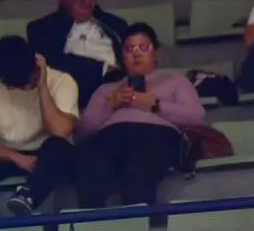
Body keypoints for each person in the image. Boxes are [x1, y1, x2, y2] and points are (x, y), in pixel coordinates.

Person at [75, 23, 206, 208]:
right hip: (111, 138)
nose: (136, 54)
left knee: (138, 168)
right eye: (129, 49)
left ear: (155, 52)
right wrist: (110, 105)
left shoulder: (175, 81)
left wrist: (155, 105)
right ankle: (91, 221)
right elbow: (83, 132)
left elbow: (195, 117)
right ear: (122, 56)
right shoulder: (107, 89)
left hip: (156, 135)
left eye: (143, 48)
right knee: (91, 161)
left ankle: (137, 217)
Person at [0, 37, 79, 216]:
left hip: (47, 155)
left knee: (59, 149)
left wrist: (42, 86)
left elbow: (60, 131)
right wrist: (14, 157)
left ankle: (28, 196)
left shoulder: (62, 81)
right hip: (7, 153)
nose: (25, 87)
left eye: (28, 81)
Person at [27, 0, 129, 107]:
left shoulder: (116, 25)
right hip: (70, 103)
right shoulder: (42, 29)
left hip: (120, 97)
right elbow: (53, 68)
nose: (87, 2)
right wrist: (105, 70)